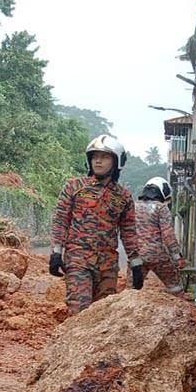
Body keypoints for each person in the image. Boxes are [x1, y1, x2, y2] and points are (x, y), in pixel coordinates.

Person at [50, 134, 144, 314]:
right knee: (80, 310)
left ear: (116, 162)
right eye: (95, 156)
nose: (98, 161)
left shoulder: (123, 197)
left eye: (105, 157)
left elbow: (128, 232)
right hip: (78, 260)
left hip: (108, 265)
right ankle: (73, 343)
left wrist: (136, 263)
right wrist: (56, 252)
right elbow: (61, 220)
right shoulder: (74, 187)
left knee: (103, 315)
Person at [134, 177, 185, 296]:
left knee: (131, 290)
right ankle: (178, 309)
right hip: (157, 254)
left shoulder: (133, 206)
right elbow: (168, 235)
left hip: (136, 256)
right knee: (175, 286)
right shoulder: (161, 207)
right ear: (161, 191)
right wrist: (177, 257)